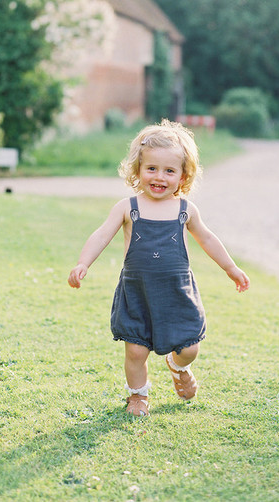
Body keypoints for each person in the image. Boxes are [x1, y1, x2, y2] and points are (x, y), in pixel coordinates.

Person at [67, 119, 250, 417]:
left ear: (183, 175)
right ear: (138, 169)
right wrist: (83, 263)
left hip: (176, 292)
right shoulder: (128, 207)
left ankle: (179, 368)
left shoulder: (185, 210)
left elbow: (207, 238)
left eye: (169, 171)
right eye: (151, 168)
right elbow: (102, 234)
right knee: (136, 350)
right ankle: (138, 396)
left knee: (189, 346)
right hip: (137, 292)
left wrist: (231, 268)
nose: (159, 177)